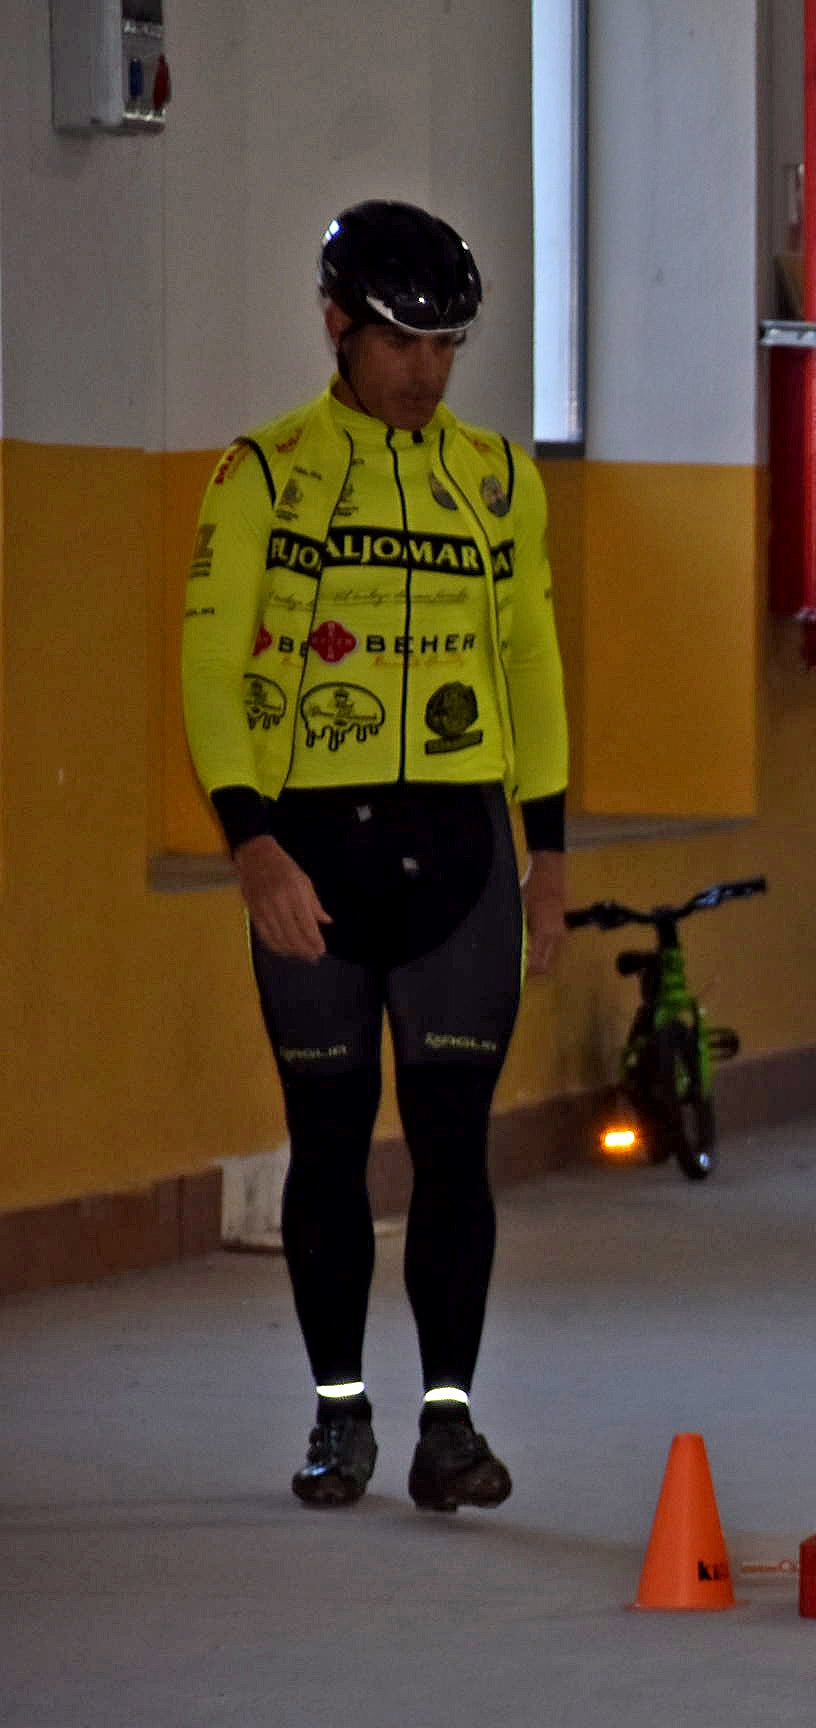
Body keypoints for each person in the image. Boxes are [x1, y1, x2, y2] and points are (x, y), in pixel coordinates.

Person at [180, 201, 568, 1510]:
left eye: (450, 344)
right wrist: (252, 846)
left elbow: (530, 661)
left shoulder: (501, 480)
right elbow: (208, 663)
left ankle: (448, 1427)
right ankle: (339, 1412)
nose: (427, 370)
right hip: (312, 855)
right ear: (338, 324)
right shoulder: (265, 473)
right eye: (404, 341)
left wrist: (551, 854)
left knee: (457, 1147)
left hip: (460, 849)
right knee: (329, 1141)